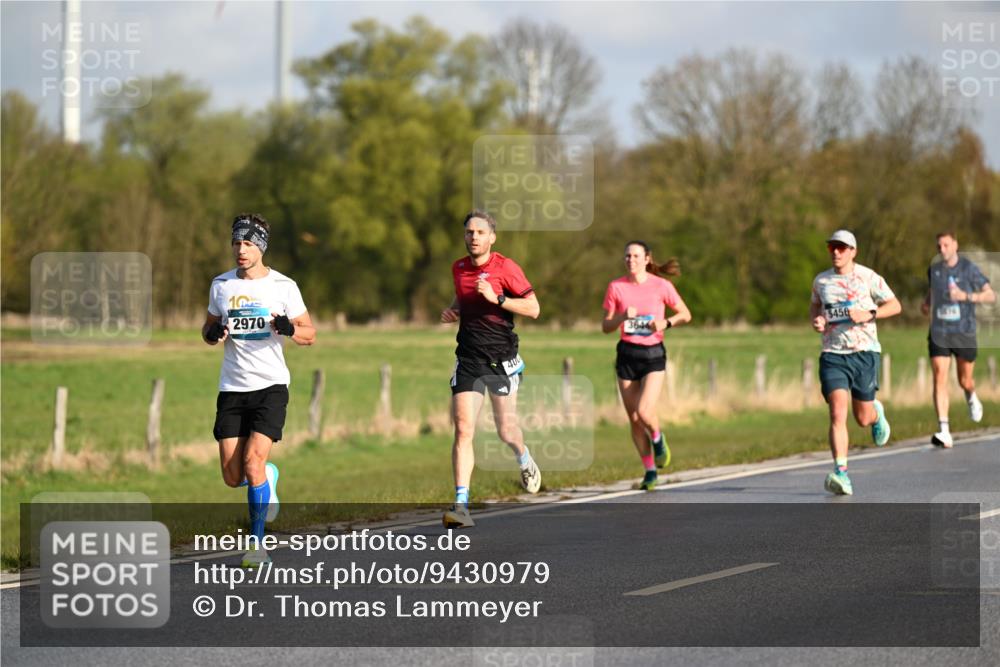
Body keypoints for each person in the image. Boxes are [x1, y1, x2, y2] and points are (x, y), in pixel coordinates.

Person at [202, 213, 316, 567]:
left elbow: (309, 334)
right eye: (237, 242)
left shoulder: (283, 287)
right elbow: (208, 328)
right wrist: (212, 335)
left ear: (261, 247)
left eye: (248, 243)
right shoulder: (221, 285)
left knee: (253, 462)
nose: (241, 249)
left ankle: (257, 545)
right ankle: (268, 478)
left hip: (270, 387)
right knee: (232, 476)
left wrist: (287, 328)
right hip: (232, 388)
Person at [440, 210, 541, 528]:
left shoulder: (506, 268)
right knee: (463, 429)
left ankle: (524, 457)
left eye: (479, 232)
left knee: (506, 430)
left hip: (501, 359)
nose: (473, 237)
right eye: (469, 232)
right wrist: (455, 309)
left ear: (491, 237)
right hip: (468, 357)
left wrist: (498, 298)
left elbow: (534, 308)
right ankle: (461, 505)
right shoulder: (458, 268)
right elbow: (464, 296)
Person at [810, 230, 901, 495]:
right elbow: (816, 306)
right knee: (838, 412)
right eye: (832, 248)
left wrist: (869, 313)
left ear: (853, 251)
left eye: (841, 248)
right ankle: (841, 473)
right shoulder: (821, 281)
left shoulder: (868, 277)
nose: (836, 252)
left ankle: (875, 413)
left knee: (861, 418)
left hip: (864, 353)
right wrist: (817, 321)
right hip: (833, 355)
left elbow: (895, 305)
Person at [602, 241, 691, 491]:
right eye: (627, 256)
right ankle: (650, 470)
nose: (630, 260)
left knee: (644, 410)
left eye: (635, 256)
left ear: (647, 259)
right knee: (633, 418)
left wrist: (667, 323)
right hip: (627, 354)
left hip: (652, 355)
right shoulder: (616, 287)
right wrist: (621, 317)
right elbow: (606, 327)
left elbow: (685, 313)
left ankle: (658, 438)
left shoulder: (661, 286)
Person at [922, 231, 995, 447]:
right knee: (939, 376)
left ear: (955, 244)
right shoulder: (933, 269)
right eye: (938, 246)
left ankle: (971, 395)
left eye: (945, 245)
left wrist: (967, 296)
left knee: (965, 380)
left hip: (964, 331)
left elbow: (990, 295)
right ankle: (944, 430)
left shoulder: (968, 268)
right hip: (940, 331)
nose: (942, 250)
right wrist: (926, 303)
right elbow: (932, 292)